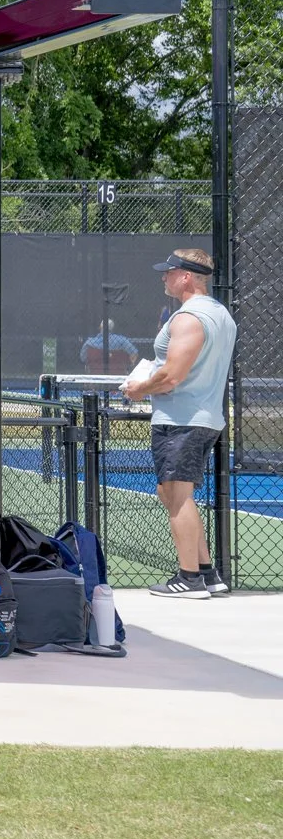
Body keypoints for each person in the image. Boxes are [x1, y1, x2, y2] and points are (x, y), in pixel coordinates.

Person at [123, 249, 238, 598]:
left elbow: (172, 376)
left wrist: (139, 389)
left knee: (176, 494)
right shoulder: (222, 315)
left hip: (182, 420)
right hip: (200, 418)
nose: (163, 278)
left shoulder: (188, 318)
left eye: (169, 272)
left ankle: (188, 579)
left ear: (186, 276)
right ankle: (207, 573)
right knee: (171, 492)